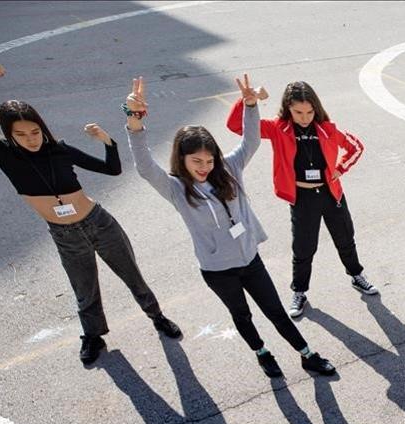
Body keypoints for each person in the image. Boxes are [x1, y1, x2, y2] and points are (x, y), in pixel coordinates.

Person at [0, 60, 181, 365]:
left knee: (131, 274)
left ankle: (157, 316)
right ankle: (93, 337)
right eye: (22, 135)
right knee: (84, 289)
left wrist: (108, 142)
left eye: (35, 131)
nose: (31, 139)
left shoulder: (60, 150)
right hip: (64, 234)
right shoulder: (3, 155)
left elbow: (113, 170)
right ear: (10, 136)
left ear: (43, 127)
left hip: (98, 222)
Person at [124, 75, 336, 377]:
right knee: (241, 314)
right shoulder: (175, 189)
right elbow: (144, 166)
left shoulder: (229, 169)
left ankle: (307, 354)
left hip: (250, 259)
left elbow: (250, 142)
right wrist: (134, 118)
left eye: (209, 160)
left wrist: (251, 105)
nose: (204, 167)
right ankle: (262, 352)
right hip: (216, 269)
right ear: (181, 160)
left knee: (276, 311)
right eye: (196, 160)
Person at [225, 80, 376, 321]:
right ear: (287, 108)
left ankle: (357, 275)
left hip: (331, 193)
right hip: (302, 197)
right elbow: (235, 126)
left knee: (345, 238)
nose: (305, 118)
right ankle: (299, 291)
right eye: (298, 112)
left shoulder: (326, 128)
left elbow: (356, 146)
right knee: (304, 248)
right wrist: (248, 101)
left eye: (309, 112)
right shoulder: (277, 128)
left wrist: (340, 168)